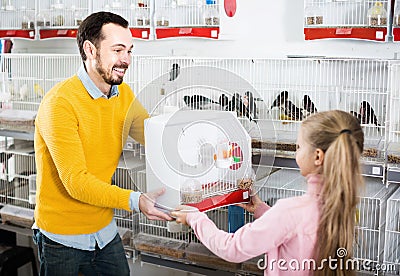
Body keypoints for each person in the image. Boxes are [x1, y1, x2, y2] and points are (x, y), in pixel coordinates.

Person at [33, 11, 172, 275]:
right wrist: (136, 200)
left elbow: (153, 136)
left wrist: (195, 141)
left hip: (104, 231)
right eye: (118, 50)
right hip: (62, 238)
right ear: (90, 50)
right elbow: (76, 181)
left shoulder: (123, 94)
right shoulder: (59, 103)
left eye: (129, 51)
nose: (126, 60)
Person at [172, 110, 364, 276]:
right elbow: (297, 234)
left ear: (317, 156)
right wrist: (262, 210)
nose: (296, 152)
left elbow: (232, 248)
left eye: (298, 147)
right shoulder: (342, 205)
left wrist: (195, 218)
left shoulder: (290, 211)